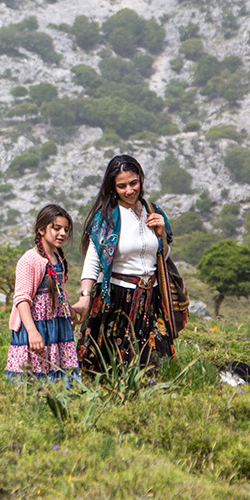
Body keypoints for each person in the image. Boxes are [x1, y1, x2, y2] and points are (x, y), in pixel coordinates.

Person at [71, 154, 179, 371]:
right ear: (112, 187)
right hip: (117, 298)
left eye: (133, 183)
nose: (129, 190)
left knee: (151, 368)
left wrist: (160, 234)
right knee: (109, 365)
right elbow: (93, 260)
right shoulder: (107, 217)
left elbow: (162, 256)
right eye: (122, 186)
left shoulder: (154, 211)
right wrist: (84, 297)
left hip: (150, 298)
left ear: (141, 180)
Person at [4, 204, 80, 383]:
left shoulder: (57, 258)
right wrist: (32, 332)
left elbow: (58, 292)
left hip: (56, 324)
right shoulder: (29, 260)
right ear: (41, 229)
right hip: (37, 325)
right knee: (33, 374)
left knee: (58, 373)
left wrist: (70, 311)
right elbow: (22, 299)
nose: (62, 233)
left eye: (66, 229)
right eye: (56, 228)